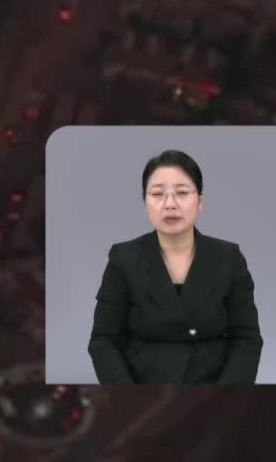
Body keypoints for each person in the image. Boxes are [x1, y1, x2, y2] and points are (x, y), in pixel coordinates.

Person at [87, 149, 262, 384]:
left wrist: (227, 394)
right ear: (144, 201)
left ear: (200, 200)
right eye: (157, 194)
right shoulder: (124, 257)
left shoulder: (229, 257)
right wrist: (126, 392)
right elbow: (103, 340)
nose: (170, 204)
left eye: (182, 193)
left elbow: (247, 338)